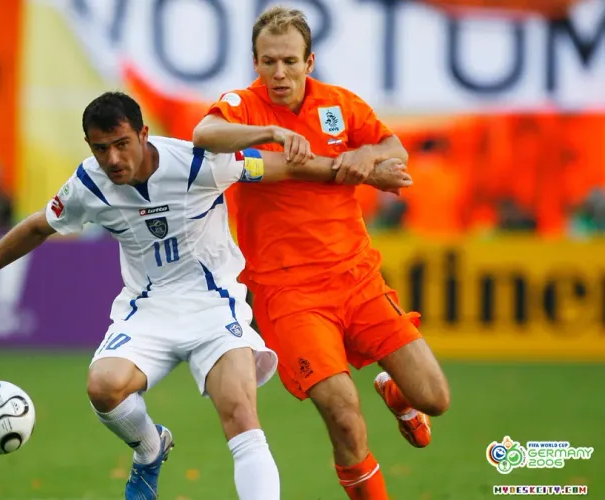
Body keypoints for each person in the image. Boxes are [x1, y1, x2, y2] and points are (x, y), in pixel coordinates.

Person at [0, 92, 412, 500]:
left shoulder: (198, 163)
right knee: (103, 388)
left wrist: (368, 172)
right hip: (148, 309)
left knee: (241, 415)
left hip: (214, 304)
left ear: (142, 134)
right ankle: (149, 448)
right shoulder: (89, 184)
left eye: (121, 144)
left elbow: (283, 167)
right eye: (100, 148)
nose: (113, 159)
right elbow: (37, 227)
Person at [192, 6, 451, 499]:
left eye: (290, 61)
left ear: (309, 62)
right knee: (344, 416)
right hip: (289, 294)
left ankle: (397, 393)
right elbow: (204, 135)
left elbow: (395, 149)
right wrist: (270, 133)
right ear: (255, 62)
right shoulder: (243, 107)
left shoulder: (339, 105)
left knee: (435, 398)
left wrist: (366, 155)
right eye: (268, 62)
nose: (279, 73)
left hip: (357, 278)